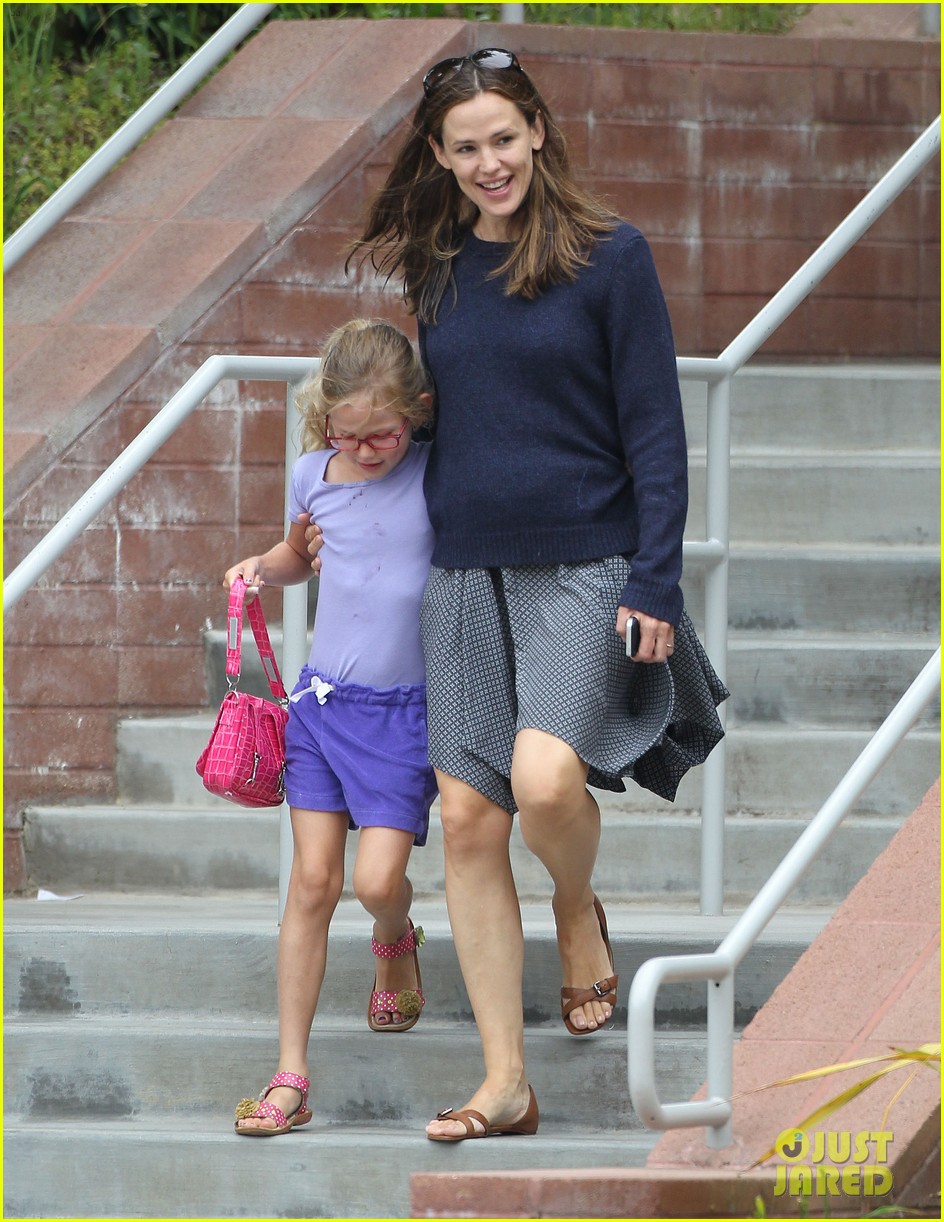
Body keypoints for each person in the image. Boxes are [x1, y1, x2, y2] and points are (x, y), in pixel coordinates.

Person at [309, 48, 728, 1142]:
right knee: (464, 817)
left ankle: (577, 903)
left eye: (503, 136)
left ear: (537, 131)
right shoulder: (438, 268)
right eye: (465, 147)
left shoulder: (609, 257)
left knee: (545, 784)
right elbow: (442, 416)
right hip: (461, 577)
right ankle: (505, 1081)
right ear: (440, 160)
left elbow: (652, 429)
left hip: (582, 565)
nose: (488, 160)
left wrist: (654, 577)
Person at [228, 318, 439, 1137]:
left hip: (402, 716)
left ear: (416, 412)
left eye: (380, 432)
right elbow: (294, 557)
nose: (364, 448)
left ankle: (394, 935)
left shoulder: (432, 474)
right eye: (346, 434)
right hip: (321, 708)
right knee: (312, 883)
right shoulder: (313, 473)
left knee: (377, 880)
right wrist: (257, 569)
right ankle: (290, 1074)